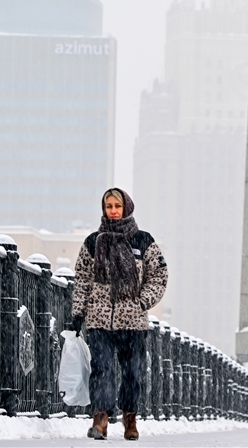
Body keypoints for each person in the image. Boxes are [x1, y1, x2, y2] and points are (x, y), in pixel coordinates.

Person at [70, 188, 168, 441]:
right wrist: (78, 312)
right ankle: (100, 418)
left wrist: (142, 301)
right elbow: (82, 279)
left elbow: (158, 276)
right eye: (108, 206)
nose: (113, 210)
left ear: (127, 207)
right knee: (101, 368)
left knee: (132, 371)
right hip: (100, 319)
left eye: (117, 206)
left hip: (133, 321)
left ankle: (130, 417)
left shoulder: (143, 241)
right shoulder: (93, 242)